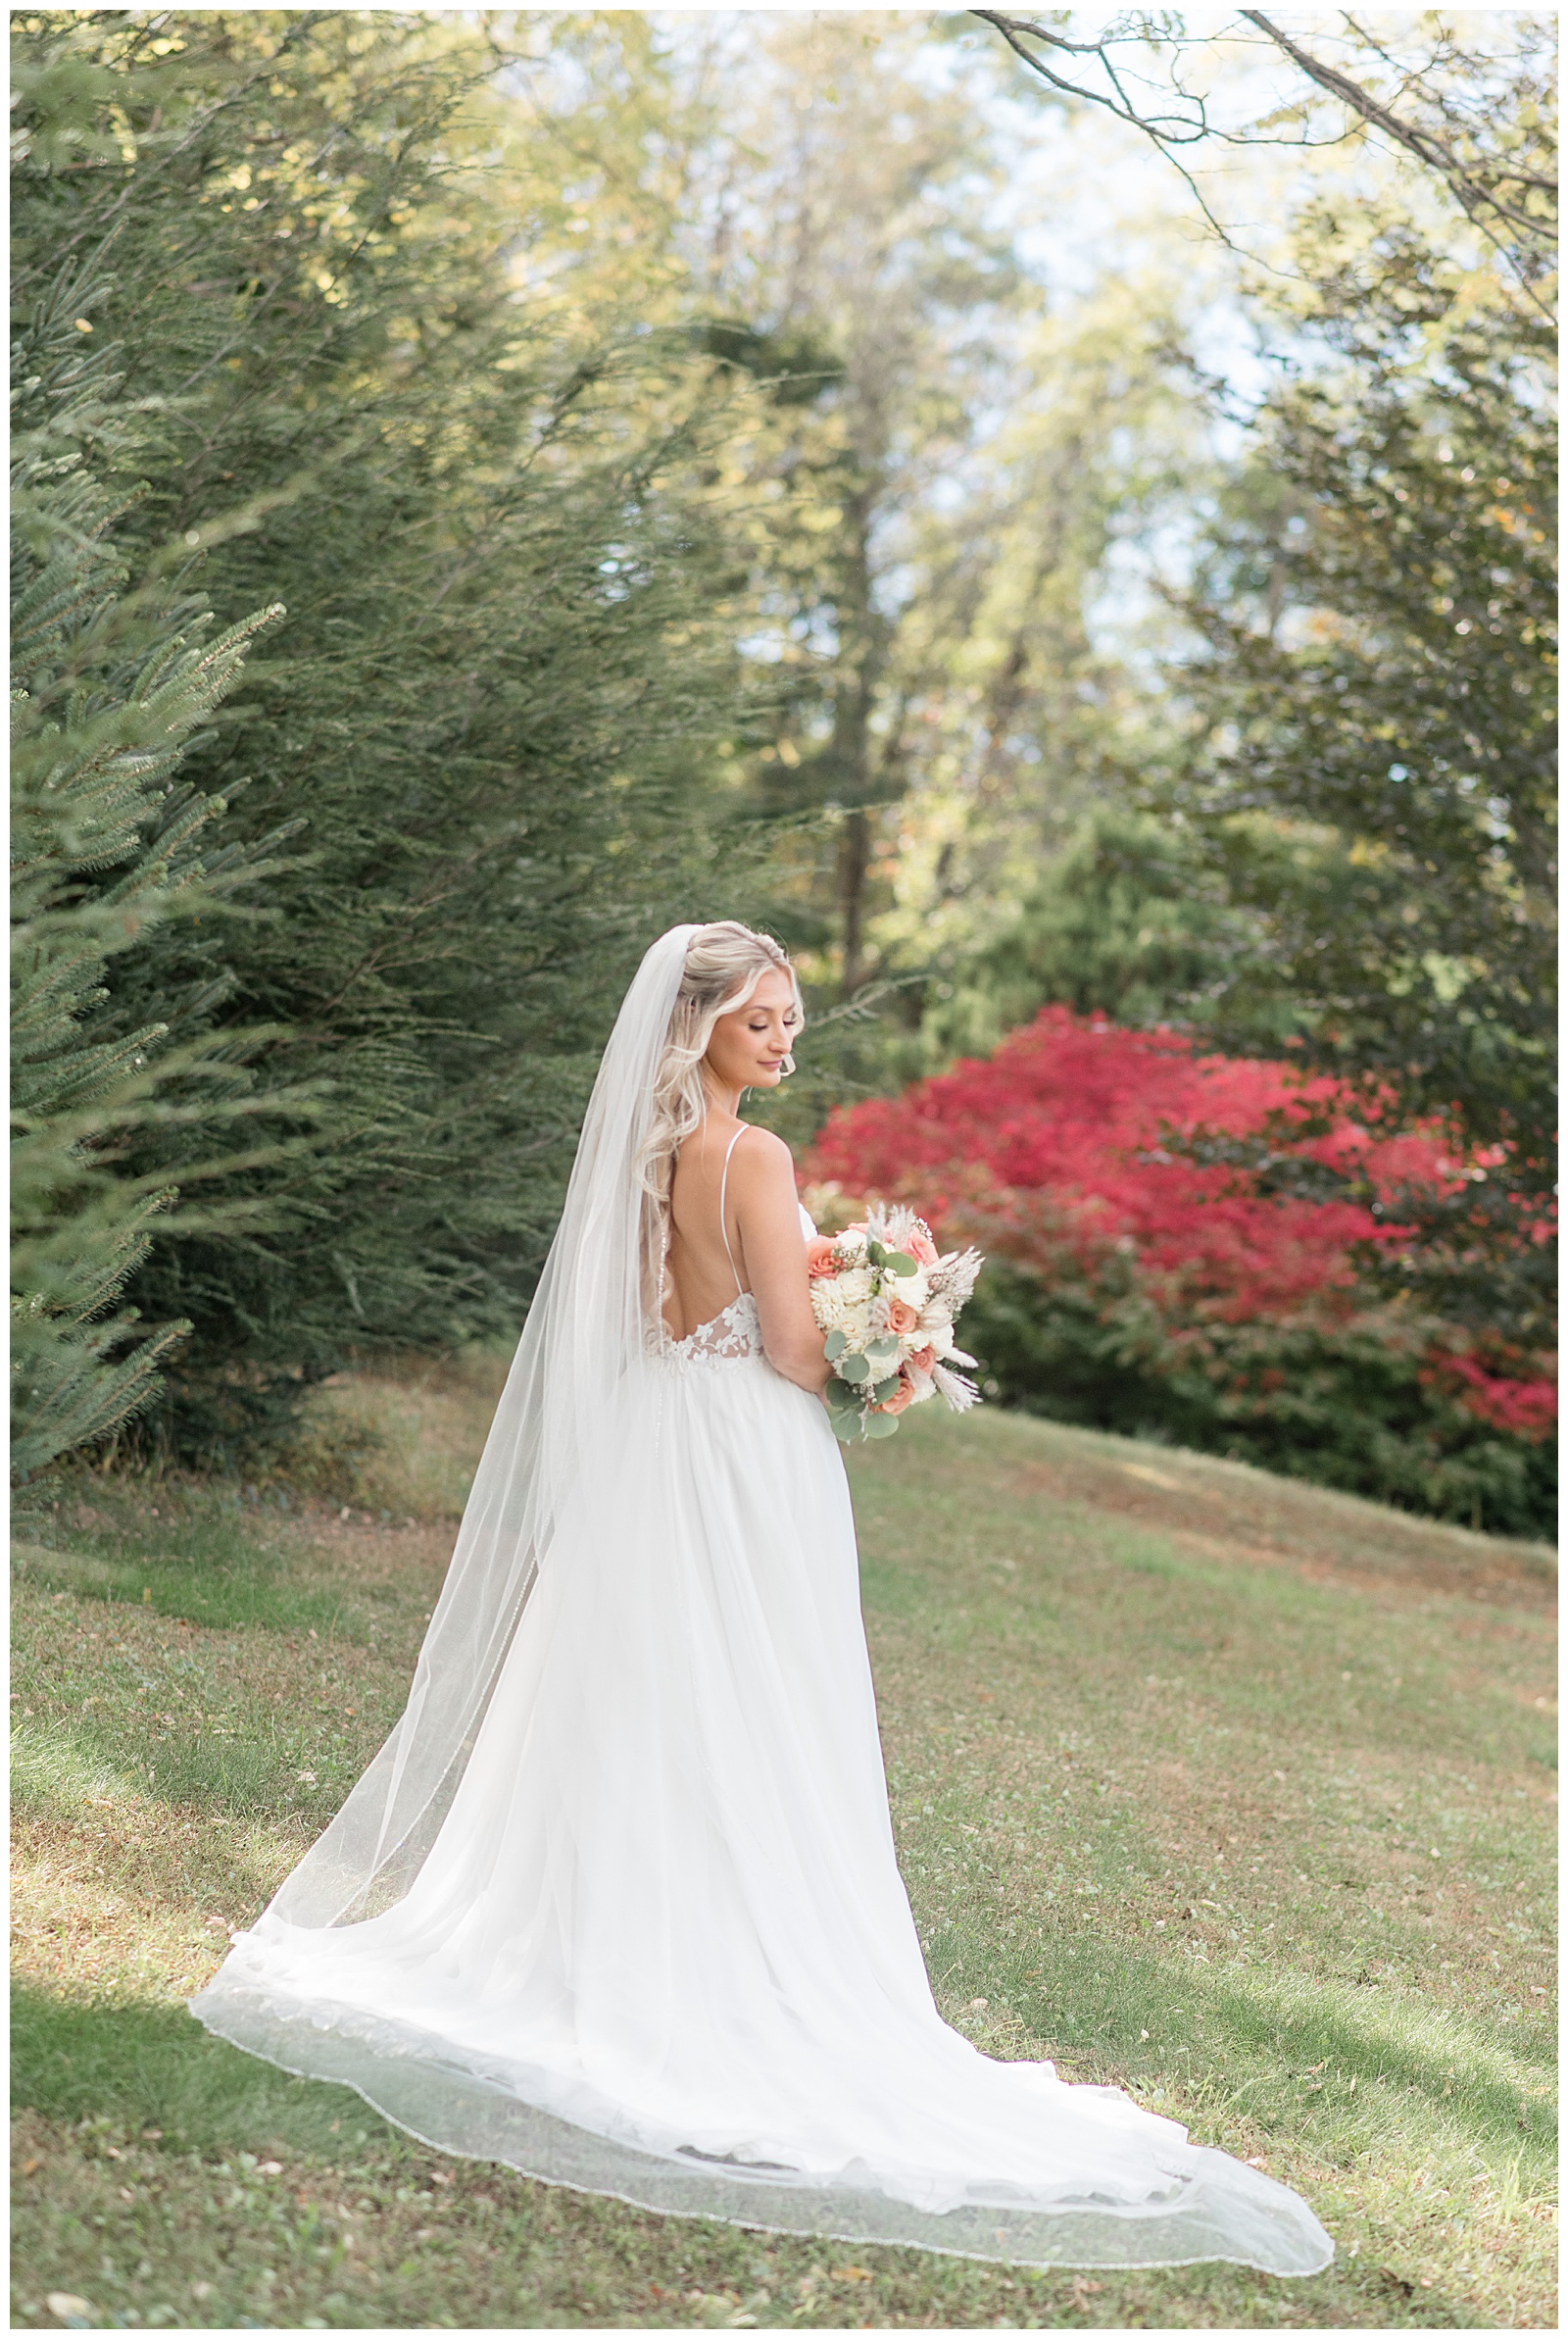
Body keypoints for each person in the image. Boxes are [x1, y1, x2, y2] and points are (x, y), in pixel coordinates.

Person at [191, 921, 1333, 2276]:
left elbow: (649, 1313)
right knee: (760, 1696)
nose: (784, 1041)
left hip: (655, 1439)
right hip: (745, 1452)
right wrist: (887, 1349)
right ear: (698, 1028)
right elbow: (791, 1344)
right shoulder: (754, 1156)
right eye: (759, 1022)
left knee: (646, 1687)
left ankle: (599, 1934)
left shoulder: (648, 1152)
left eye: (792, 1019)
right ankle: (731, 1959)